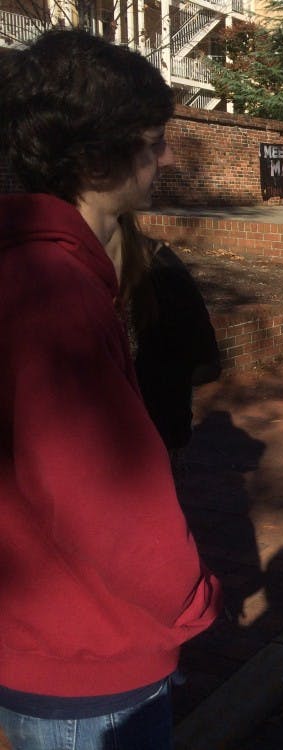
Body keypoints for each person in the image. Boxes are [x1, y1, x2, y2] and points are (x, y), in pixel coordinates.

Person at [0, 29, 221, 750]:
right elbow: (95, 490)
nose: (164, 157)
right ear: (102, 153)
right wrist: (190, 594)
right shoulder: (51, 292)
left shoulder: (45, 270)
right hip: (82, 670)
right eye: (155, 139)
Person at [111, 213, 221, 469]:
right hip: (157, 429)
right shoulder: (162, 265)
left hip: (111, 439)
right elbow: (205, 362)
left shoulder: (43, 270)